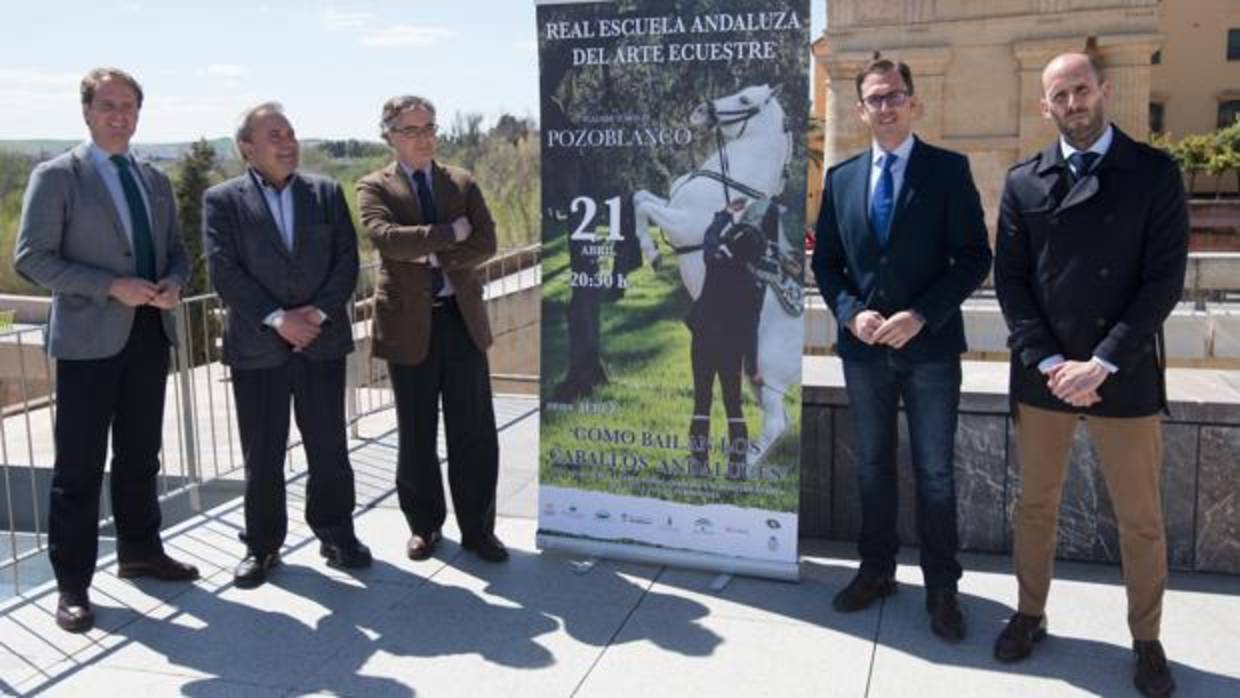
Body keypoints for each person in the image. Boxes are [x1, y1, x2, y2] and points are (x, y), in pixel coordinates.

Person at [992, 52, 1188, 698]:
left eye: (1081, 88)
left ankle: (1147, 638)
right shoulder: (1024, 183)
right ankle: (1029, 613)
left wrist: (1103, 359)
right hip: (1047, 376)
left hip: (1121, 374)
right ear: (1043, 106)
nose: (1073, 102)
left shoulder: (1154, 174)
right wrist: (1049, 361)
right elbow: (1012, 282)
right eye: (1060, 95)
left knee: (1140, 517)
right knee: (1035, 506)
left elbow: (1163, 281)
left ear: (1104, 90)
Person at [811, 58, 992, 643]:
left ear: (914, 103)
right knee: (871, 466)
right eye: (874, 99)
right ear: (860, 109)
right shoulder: (841, 179)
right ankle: (877, 571)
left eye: (894, 96)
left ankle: (942, 588)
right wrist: (849, 312)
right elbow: (827, 263)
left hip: (931, 350)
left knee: (935, 472)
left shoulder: (947, 170)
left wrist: (921, 315)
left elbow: (973, 257)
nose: (885, 107)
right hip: (863, 353)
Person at [14, 67, 199, 633]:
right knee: (79, 467)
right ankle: (72, 586)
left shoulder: (153, 179)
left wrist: (174, 282)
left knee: (142, 456)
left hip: (148, 334)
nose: (120, 115)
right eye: (108, 105)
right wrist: (107, 286)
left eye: (129, 106)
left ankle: (140, 551)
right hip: (88, 342)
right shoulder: (57, 177)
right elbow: (32, 258)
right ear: (87, 111)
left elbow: (177, 252)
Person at [202, 103, 370, 588]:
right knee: (263, 452)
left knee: (329, 446)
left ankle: (337, 532)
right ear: (247, 148)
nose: (287, 141)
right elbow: (223, 270)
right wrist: (279, 320)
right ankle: (262, 546)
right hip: (258, 349)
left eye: (291, 132)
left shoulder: (325, 192)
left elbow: (346, 261)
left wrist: (313, 316)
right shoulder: (222, 200)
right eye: (274, 134)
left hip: (321, 340)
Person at [356, 95, 507, 563]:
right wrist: (448, 233)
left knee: (475, 432)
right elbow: (385, 239)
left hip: (460, 322)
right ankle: (425, 527)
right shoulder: (373, 186)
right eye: (411, 130)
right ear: (389, 135)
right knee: (416, 433)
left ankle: (479, 530)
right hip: (408, 326)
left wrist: (428, 252)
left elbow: (486, 241)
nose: (423, 138)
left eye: (429, 128)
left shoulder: (460, 181)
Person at [685, 198, 768, 480]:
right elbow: (751, 330)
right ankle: (736, 467)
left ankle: (698, 465)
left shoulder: (715, 261)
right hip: (731, 348)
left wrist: (725, 214)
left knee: (701, 402)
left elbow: (710, 237)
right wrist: (753, 367)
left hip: (703, 342)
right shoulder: (755, 287)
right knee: (734, 405)